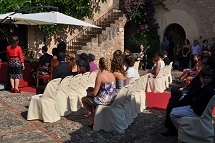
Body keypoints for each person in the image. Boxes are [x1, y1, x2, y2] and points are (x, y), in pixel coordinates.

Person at [81, 57, 117, 127]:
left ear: (100, 66)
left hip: (103, 100)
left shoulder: (100, 76)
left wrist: (89, 93)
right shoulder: (112, 75)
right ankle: (97, 116)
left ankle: (93, 120)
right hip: (112, 98)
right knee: (92, 97)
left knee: (84, 99)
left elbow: (94, 93)